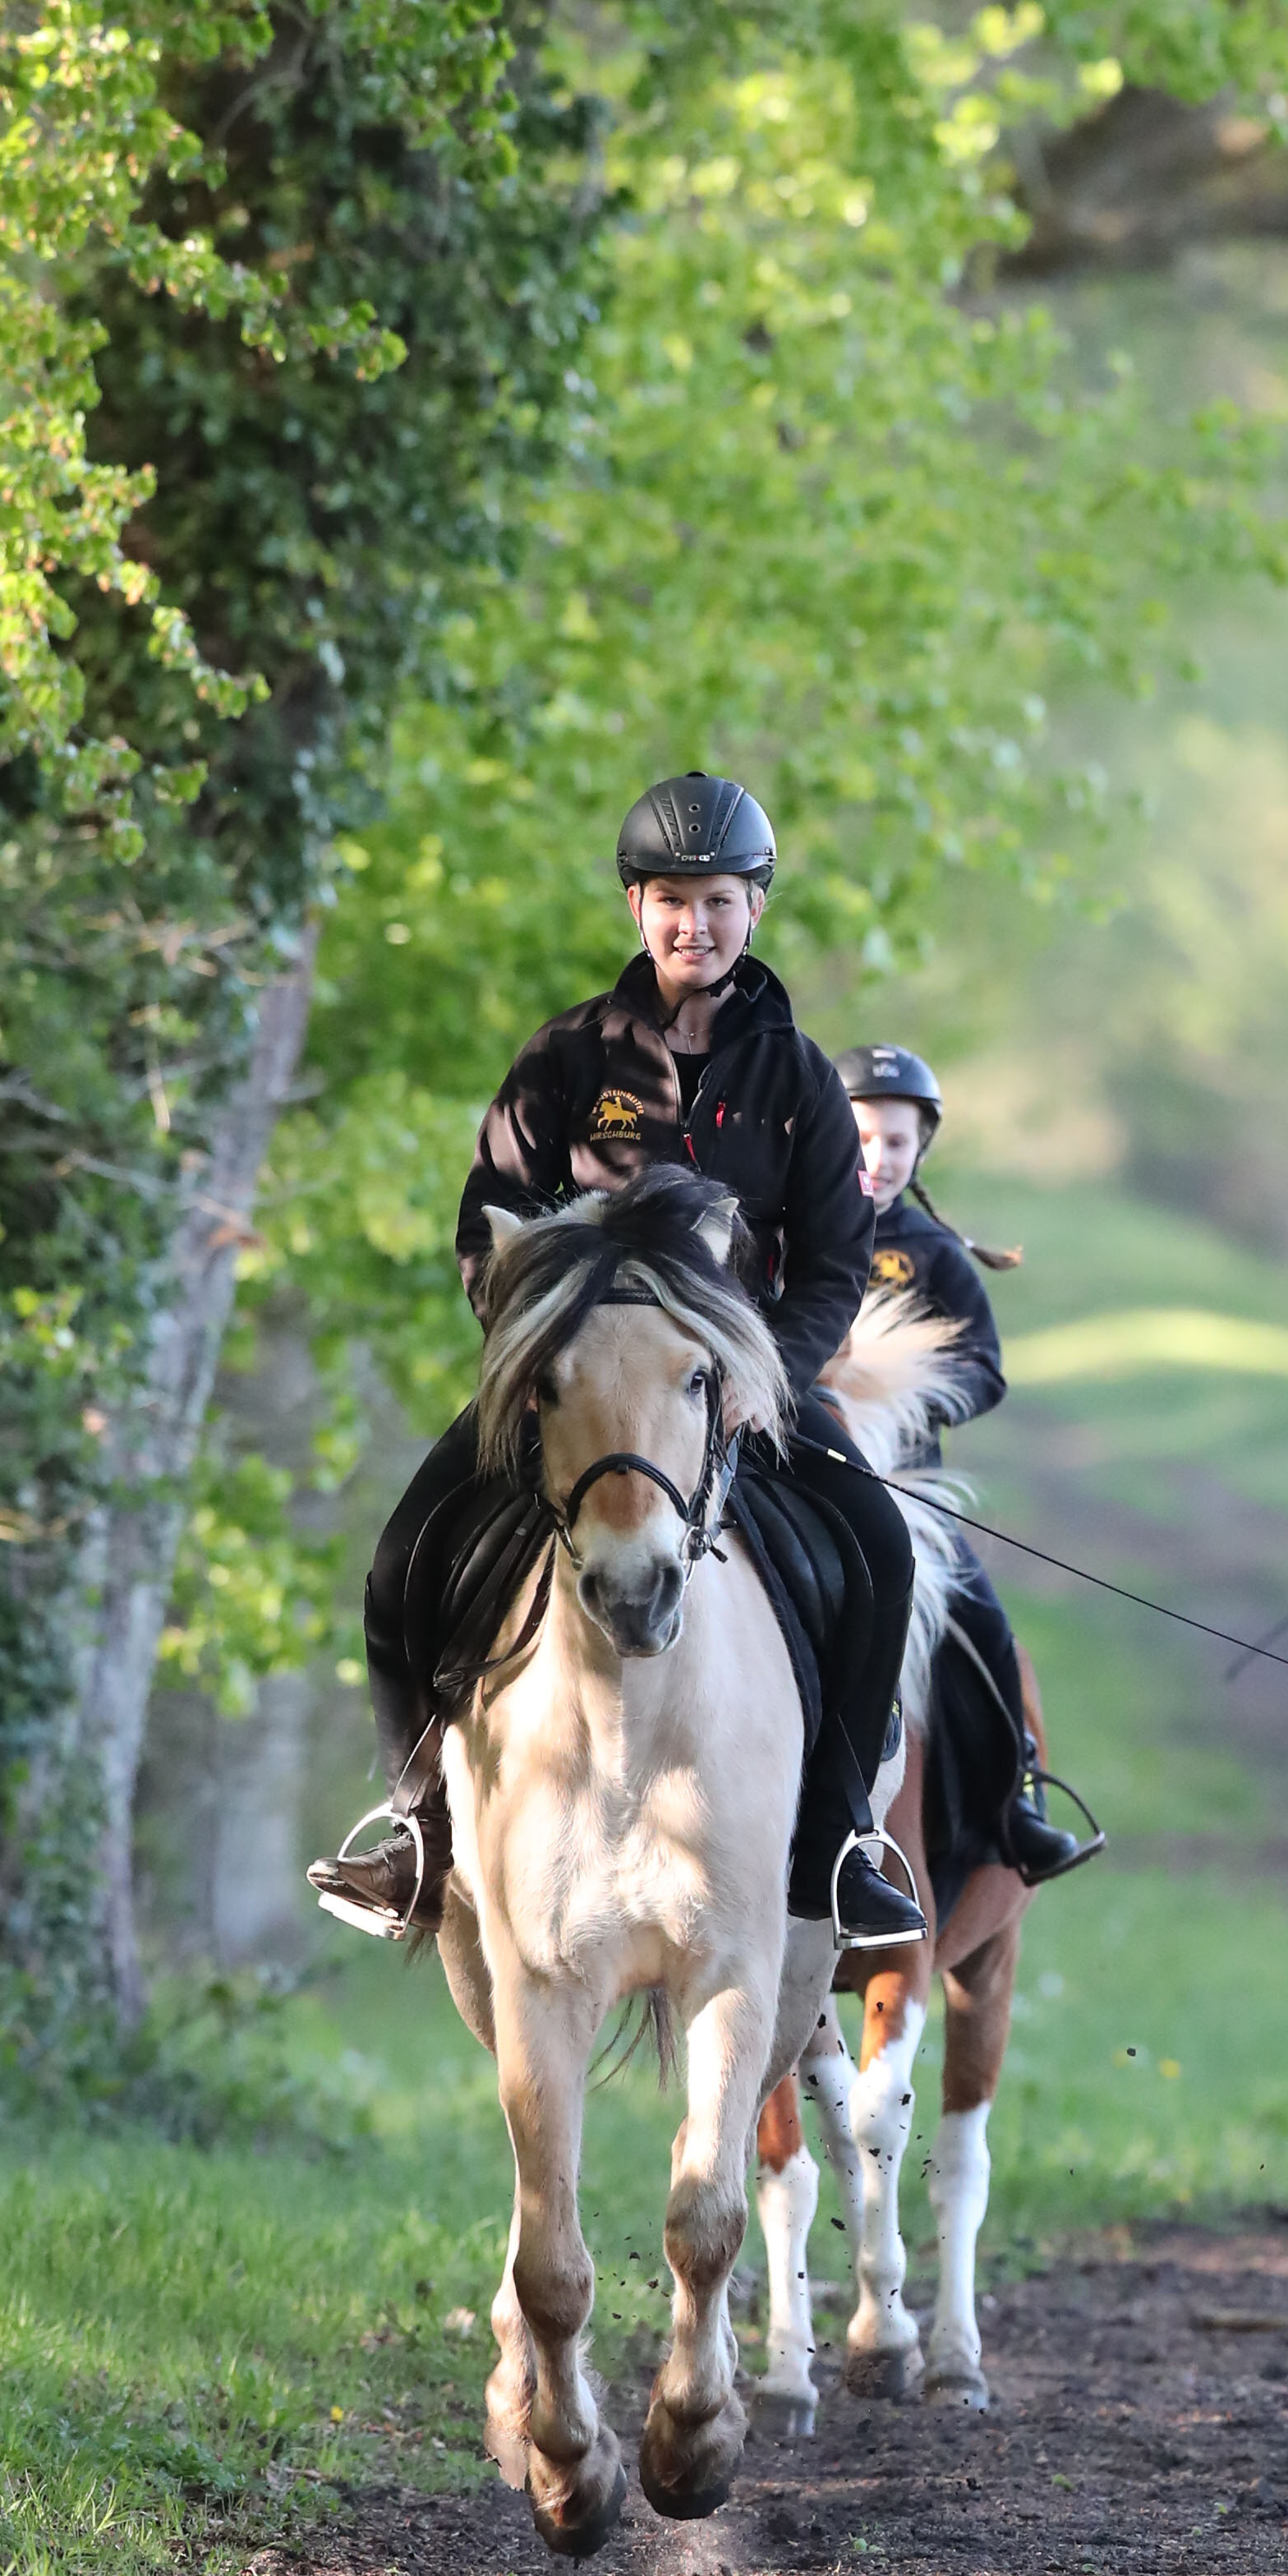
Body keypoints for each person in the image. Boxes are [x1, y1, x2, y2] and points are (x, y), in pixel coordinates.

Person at [308, 771, 923, 1952]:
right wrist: (544, 1358)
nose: (697, 924)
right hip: (581, 1395)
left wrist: (761, 1379)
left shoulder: (800, 1078)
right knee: (402, 1557)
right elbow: (487, 1227)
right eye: (673, 900)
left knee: (878, 1548)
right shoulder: (564, 1057)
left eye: (721, 900)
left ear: (756, 909)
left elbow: (837, 1264)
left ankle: (839, 1845)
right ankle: (419, 1827)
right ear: (637, 906)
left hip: (735, 1396)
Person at [836, 1035, 1102, 1896]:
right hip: (789, 1472)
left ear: (920, 1150)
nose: (878, 1158)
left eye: (896, 1142)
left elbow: (985, 1369)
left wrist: (907, 1396)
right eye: (862, 1137)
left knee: (981, 1623)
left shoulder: (933, 1254)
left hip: (904, 1492)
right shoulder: (783, 1235)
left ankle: (1013, 1800)